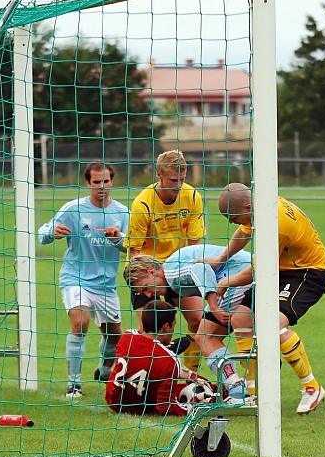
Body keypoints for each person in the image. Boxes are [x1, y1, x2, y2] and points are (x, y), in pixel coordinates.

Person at [203, 183, 325, 414]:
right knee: (241, 318)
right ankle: (252, 393)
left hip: (308, 272)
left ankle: (312, 388)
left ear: (246, 206)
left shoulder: (276, 224)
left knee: (272, 324)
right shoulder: (259, 207)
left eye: (233, 217)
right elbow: (244, 232)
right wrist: (221, 258)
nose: (232, 222)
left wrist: (225, 282)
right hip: (282, 270)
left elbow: (258, 270)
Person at [38, 163, 130, 398]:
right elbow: (43, 233)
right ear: (88, 183)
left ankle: (105, 370)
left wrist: (118, 239)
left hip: (106, 286)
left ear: (112, 182)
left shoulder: (122, 213)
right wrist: (52, 232)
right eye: (96, 182)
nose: (102, 187)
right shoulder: (73, 209)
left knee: (114, 336)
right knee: (81, 322)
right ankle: (74, 383)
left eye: (106, 181)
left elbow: (130, 247)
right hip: (75, 278)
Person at [123, 250, 251, 403]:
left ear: (151, 271)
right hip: (247, 272)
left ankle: (238, 391)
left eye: (145, 288)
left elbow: (201, 268)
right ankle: (241, 387)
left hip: (238, 276)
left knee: (206, 337)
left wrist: (214, 306)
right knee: (210, 336)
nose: (149, 295)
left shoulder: (170, 271)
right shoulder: (172, 277)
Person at [124, 150, 206, 371]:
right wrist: (149, 283)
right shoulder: (143, 204)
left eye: (182, 179)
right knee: (151, 333)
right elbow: (134, 253)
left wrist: (190, 273)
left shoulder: (192, 196)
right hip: (147, 272)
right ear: (159, 174)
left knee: (199, 322)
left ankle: (187, 373)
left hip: (179, 270)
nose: (178, 185)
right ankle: (150, 378)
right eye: (172, 180)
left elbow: (194, 244)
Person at [105, 301, 196, 416]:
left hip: (113, 399)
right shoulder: (170, 360)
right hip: (140, 407)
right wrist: (192, 407)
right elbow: (164, 407)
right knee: (189, 392)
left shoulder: (127, 337)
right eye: (174, 325)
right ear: (166, 327)